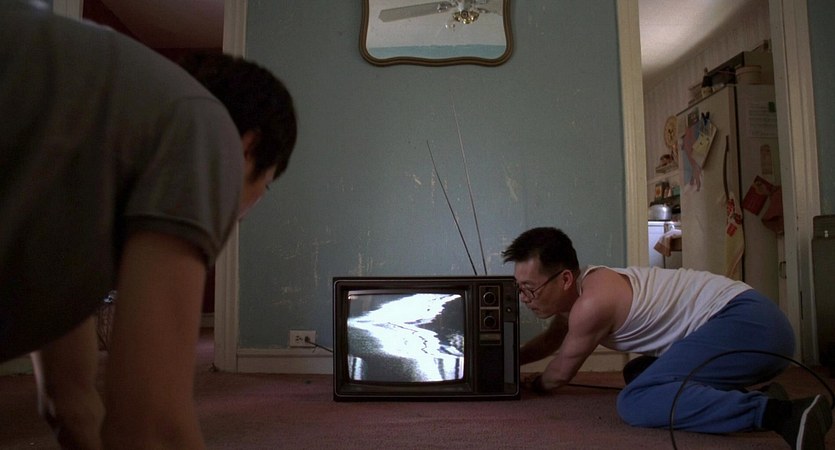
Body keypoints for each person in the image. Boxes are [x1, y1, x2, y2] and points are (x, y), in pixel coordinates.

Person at [0, 1, 297, 448]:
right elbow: (149, 427)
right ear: (246, 149)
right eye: (265, 185)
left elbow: (68, 401)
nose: (246, 213)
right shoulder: (203, 127)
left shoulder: (75, 164)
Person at [502, 227, 832, 449]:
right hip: (753, 322)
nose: (525, 298)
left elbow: (559, 374)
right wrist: (509, 359)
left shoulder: (592, 304)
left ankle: (784, 414)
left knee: (635, 402)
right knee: (639, 373)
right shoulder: (585, 288)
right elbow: (550, 342)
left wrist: (532, 384)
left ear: (564, 279)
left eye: (530, 289)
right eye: (520, 289)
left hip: (750, 325)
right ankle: (758, 394)